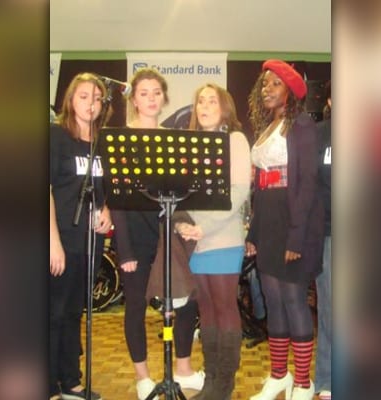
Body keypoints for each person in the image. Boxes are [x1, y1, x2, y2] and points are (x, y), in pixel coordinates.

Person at [110, 67, 203, 400]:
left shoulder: (173, 139)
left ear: (164, 98)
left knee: (187, 302)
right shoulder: (121, 139)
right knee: (136, 305)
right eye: (144, 93)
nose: (151, 98)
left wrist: (182, 224)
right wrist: (125, 250)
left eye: (156, 92)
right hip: (135, 235)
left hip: (167, 235)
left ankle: (183, 369)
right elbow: (116, 200)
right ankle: (142, 378)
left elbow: (178, 194)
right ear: (134, 100)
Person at [245, 60, 326, 400]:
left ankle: (304, 382)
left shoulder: (302, 124)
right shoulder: (268, 126)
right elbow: (261, 188)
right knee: (273, 301)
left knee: (293, 300)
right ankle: (279, 375)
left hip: (294, 223)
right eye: (264, 83)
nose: (267, 88)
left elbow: (307, 183)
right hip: (268, 221)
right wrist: (253, 234)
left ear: (290, 91)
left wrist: (296, 236)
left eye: (275, 83)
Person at [172, 83, 251, 400]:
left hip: (223, 238)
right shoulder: (192, 145)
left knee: (223, 308)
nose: (204, 106)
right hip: (197, 241)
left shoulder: (235, 140)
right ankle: (212, 381)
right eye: (200, 101)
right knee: (205, 311)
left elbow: (239, 191)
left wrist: (203, 227)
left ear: (225, 107)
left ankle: (224, 386)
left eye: (211, 101)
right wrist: (183, 224)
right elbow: (183, 193)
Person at [49, 72, 113, 400]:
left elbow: (107, 191)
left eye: (97, 98)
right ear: (71, 100)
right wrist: (52, 242)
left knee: (75, 311)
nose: (91, 103)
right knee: (53, 312)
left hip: (90, 242)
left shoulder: (103, 143)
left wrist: (107, 211)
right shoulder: (56, 136)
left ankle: (70, 380)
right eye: (84, 96)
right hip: (60, 237)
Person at [313, 81, 333, 400]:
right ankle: (327, 379)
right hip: (329, 233)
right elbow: (310, 187)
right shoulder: (319, 135)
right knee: (330, 308)